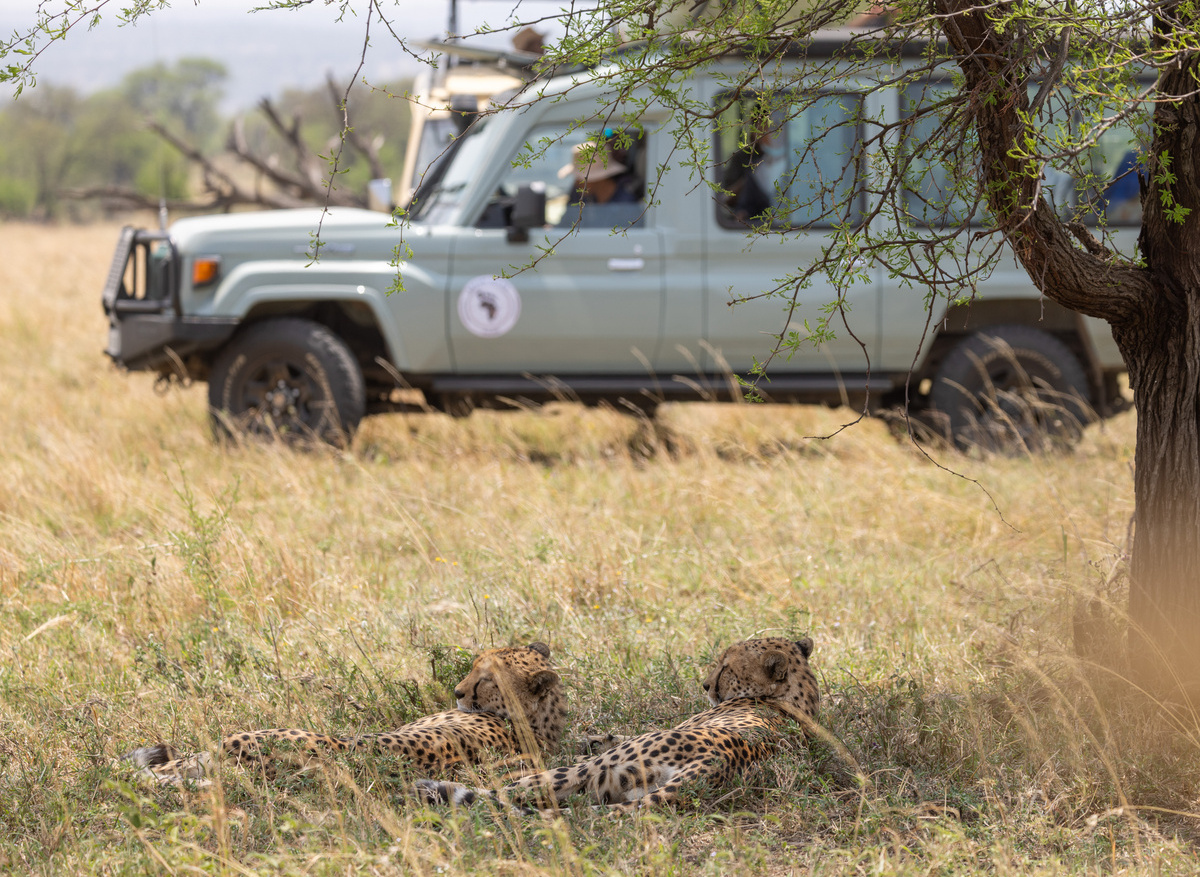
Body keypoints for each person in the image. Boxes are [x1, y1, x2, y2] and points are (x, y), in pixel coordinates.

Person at [558, 141, 641, 228]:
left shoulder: (627, 206)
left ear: (599, 179)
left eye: (581, 178)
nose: (576, 183)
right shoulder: (578, 195)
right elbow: (565, 224)